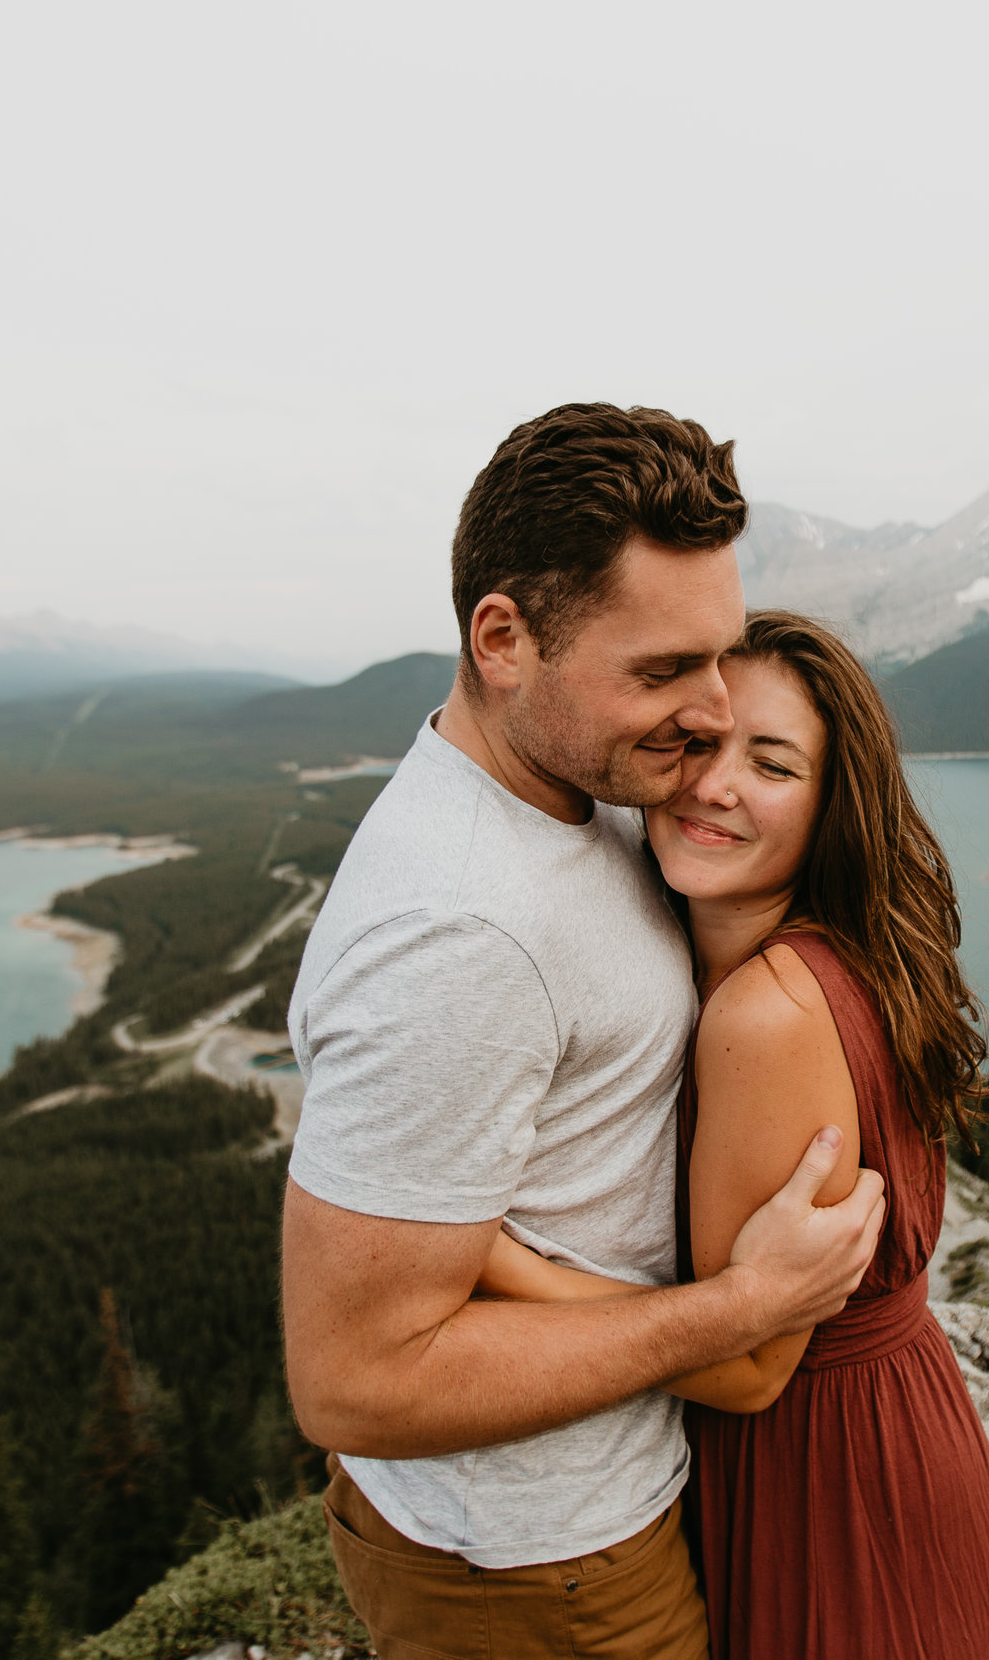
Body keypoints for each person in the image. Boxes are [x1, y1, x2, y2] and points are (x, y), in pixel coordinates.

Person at [278, 404, 890, 1660]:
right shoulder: (458, 931)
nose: (712, 711)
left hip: (595, 1513)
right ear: (502, 638)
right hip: (535, 1563)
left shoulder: (590, 783)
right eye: (662, 671)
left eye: (717, 656)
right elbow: (352, 1379)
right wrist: (740, 1308)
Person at [479, 610, 989, 1658]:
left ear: (832, 806)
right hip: (897, 1435)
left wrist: (492, 1259)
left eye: (770, 762)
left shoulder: (766, 1011)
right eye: (697, 741)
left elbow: (751, 1364)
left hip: (832, 1483)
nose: (712, 784)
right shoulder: (828, 958)